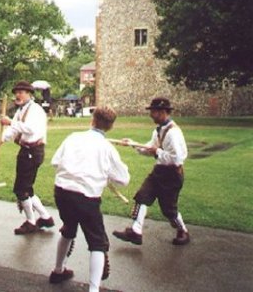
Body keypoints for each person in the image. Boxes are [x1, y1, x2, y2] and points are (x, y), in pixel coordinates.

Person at [48, 106, 130, 291]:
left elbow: (55, 162)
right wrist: (106, 174)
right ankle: (93, 289)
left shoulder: (73, 137)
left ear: (92, 120)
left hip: (62, 192)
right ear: (110, 127)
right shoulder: (107, 148)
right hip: (86, 197)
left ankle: (58, 270)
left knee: (69, 228)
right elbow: (124, 179)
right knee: (97, 242)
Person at [112, 97, 190, 246]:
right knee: (142, 196)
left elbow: (177, 159)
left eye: (153, 112)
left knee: (168, 210)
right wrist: (132, 144)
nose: (151, 115)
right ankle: (136, 231)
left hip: (172, 175)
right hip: (159, 170)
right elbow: (150, 148)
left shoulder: (173, 133)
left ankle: (183, 231)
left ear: (162, 112)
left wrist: (158, 152)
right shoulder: (159, 130)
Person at [0, 80, 54, 235]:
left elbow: (29, 129)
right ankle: (45, 217)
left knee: (21, 189)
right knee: (27, 188)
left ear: (29, 94)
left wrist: (10, 122)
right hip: (25, 150)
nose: (18, 95)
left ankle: (31, 222)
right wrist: (2, 138)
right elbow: (14, 129)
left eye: (21, 92)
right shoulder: (21, 110)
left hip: (34, 151)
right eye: (16, 92)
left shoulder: (35, 110)